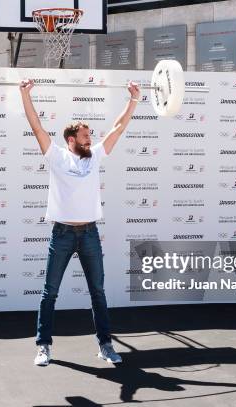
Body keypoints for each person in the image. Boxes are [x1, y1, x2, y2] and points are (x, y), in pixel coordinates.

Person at [20, 78, 140, 366]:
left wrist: (134, 99)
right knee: (49, 293)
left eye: (90, 135)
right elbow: (36, 126)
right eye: (86, 136)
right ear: (71, 140)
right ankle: (43, 347)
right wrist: (25, 94)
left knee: (97, 292)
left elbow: (118, 128)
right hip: (61, 234)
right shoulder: (56, 156)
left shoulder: (94, 157)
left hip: (89, 234)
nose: (90, 139)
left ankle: (106, 346)